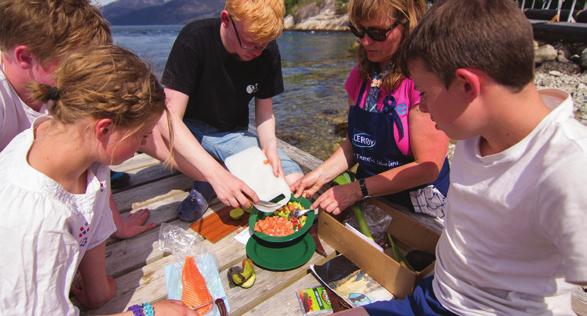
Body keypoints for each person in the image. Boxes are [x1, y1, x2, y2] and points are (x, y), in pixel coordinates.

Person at [338, 0, 587, 315]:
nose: (422, 108)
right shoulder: (478, 131)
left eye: (424, 94)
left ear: (467, 85)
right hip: (437, 293)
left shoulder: (569, 169)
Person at [0, 44, 187, 314]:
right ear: (105, 128)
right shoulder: (38, 222)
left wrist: (97, 288)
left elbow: (92, 208)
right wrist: (146, 312)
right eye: (142, 135)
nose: (143, 145)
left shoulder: (89, 153)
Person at [0, 0, 155, 239]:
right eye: (77, 65)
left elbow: (94, 154)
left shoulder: (61, 91)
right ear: (26, 57)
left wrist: (115, 226)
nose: (88, 77)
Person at [140, 0, 304, 222]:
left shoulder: (266, 50)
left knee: (291, 176)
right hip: (187, 129)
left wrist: (270, 149)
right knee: (141, 134)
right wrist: (216, 176)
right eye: (251, 44)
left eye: (264, 44)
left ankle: (210, 171)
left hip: (229, 134)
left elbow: (264, 113)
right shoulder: (195, 38)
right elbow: (169, 118)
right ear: (226, 20)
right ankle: (209, 177)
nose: (258, 51)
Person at [292, 0, 450, 218]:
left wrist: (357, 190)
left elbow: (428, 167)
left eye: (376, 33)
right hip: (370, 195)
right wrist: (320, 175)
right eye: (358, 30)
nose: (365, 41)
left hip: (416, 202)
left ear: (407, 25)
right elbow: (355, 145)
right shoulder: (360, 76)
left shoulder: (421, 81)